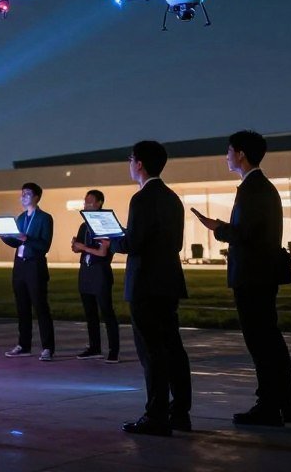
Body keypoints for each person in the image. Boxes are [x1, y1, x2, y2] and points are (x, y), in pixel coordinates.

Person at [195, 130, 291, 426]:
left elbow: (246, 235)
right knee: (270, 340)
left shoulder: (252, 188)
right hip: (262, 274)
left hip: (252, 277)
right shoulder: (263, 187)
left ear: (240, 154)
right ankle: (281, 403)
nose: (226, 156)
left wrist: (217, 228)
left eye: (228, 151)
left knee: (261, 342)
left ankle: (268, 406)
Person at [111, 140, 191, 436]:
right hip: (169, 281)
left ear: (140, 163)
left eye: (131, 159)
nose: (130, 164)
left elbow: (134, 243)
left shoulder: (141, 199)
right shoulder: (172, 198)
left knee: (151, 352)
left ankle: (155, 416)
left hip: (145, 283)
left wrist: (113, 241)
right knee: (172, 347)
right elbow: (175, 243)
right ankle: (180, 411)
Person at [1, 182, 55, 361]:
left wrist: (26, 238)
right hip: (20, 265)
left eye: (27, 194)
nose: (23, 196)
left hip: (35, 265)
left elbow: (44, 245)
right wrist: (5, 237)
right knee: (22, 307)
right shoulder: (21, 217)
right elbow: (17, 243)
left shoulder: (45, 218)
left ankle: (47, 347)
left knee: (40, 307)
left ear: (37, 197)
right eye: (22, 193)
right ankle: (24, 345)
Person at [71, 189, 119, 363]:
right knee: (89, 312)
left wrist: (82, 247)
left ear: (99, 203)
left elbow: (102, 252)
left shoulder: (105, 223)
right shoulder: (84, 225)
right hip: (86, 270)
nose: (86, 204)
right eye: (85, 201)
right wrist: (76, 246)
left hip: (100, 271)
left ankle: (114, 350)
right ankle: (94, 347)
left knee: (107, 312)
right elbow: (80, 247)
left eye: (90, 201)